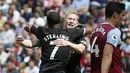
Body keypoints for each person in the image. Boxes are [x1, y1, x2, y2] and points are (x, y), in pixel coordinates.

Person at [17, 11, 86, 73]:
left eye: (74, 19)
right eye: (69, 19)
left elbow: (80, 49)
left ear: (77, 23)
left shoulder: (79, 36)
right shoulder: (54, 34)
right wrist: (22, 41)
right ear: (64, 21)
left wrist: (68, 43)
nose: (71, 21)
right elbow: (33, 43)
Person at [90, 2, 125, 73]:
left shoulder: (95, 30)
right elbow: (107, 56)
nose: (123, 19)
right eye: (122, 15)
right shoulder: (114, 31)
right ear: (115, 15)